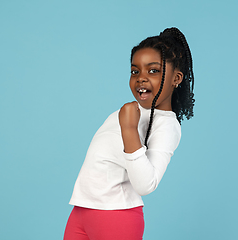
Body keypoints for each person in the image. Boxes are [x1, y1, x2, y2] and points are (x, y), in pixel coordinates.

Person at [63, 27, 195, 240]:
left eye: (153, 71)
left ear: (176, 78)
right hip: (82, 209)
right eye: (135, 71)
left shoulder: (166, 125)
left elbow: (145, 184)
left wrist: (129, 129)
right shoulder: (130, 110)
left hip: (116, 214)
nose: (141, 78)